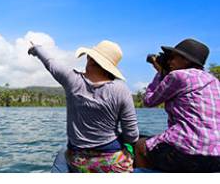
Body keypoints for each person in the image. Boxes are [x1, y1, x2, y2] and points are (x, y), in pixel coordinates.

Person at [28, 40, 139, 173]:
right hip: (111, 162)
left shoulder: (72, 80)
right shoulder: (122, 90)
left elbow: (50, 62)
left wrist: (36, 48)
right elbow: (132, 135)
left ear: (91, 60)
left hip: (78, 161)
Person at [135, 38, 220, 172]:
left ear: (186, 60)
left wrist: (159, 73)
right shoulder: (213, 80)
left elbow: (149, 101)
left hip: (188, 154)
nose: (169, 61)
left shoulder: (178, 76)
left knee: (140, 145)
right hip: (216, 155)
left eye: (173, 57)